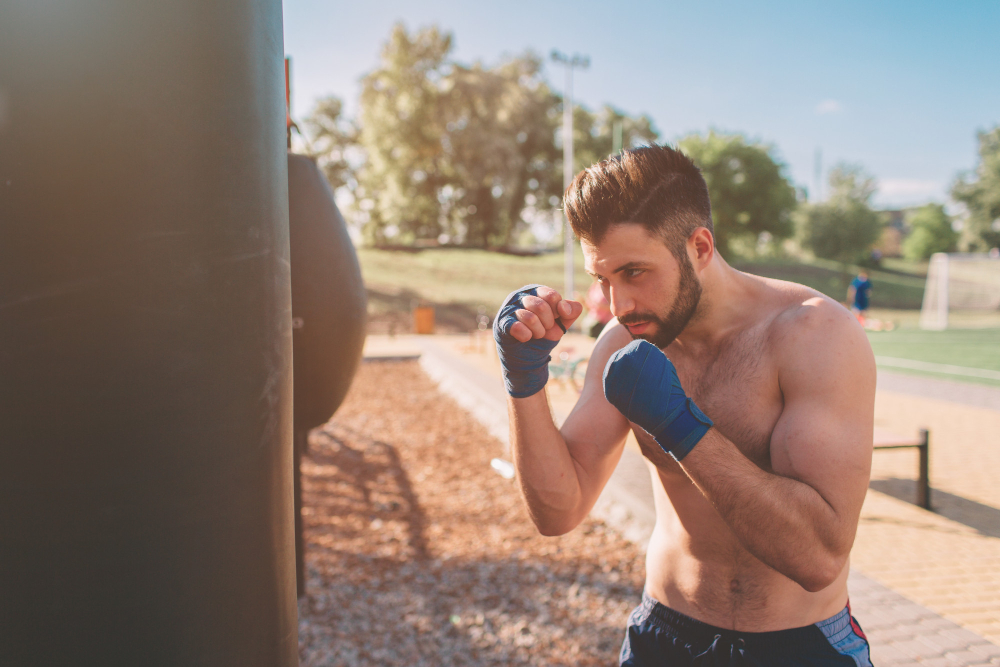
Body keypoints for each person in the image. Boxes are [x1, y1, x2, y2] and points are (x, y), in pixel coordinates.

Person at [493, 145, 875, 666]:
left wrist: (679, 427)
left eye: (634, 272)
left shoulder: (814, 335)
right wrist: (524, 381)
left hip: (800, 645)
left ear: (699, 246)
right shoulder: (621, 340)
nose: (618, 304)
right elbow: (559, 511)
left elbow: (818, 557)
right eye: (603, 279)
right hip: (664, 638)